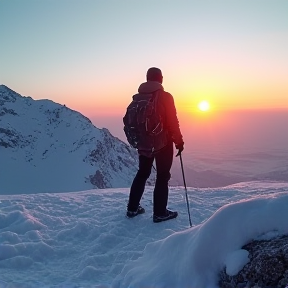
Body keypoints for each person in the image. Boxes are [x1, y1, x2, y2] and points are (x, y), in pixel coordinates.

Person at [126, 67, 184, 223]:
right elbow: (172, 121)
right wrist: (179, 141)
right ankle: (159, 213)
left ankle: (132, 208)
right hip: (162, 142)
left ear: (147, 78)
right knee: (162, 176)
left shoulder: (138, 97)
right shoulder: (165, 97)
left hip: (143, 142)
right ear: (161, 79)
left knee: (142, 173)